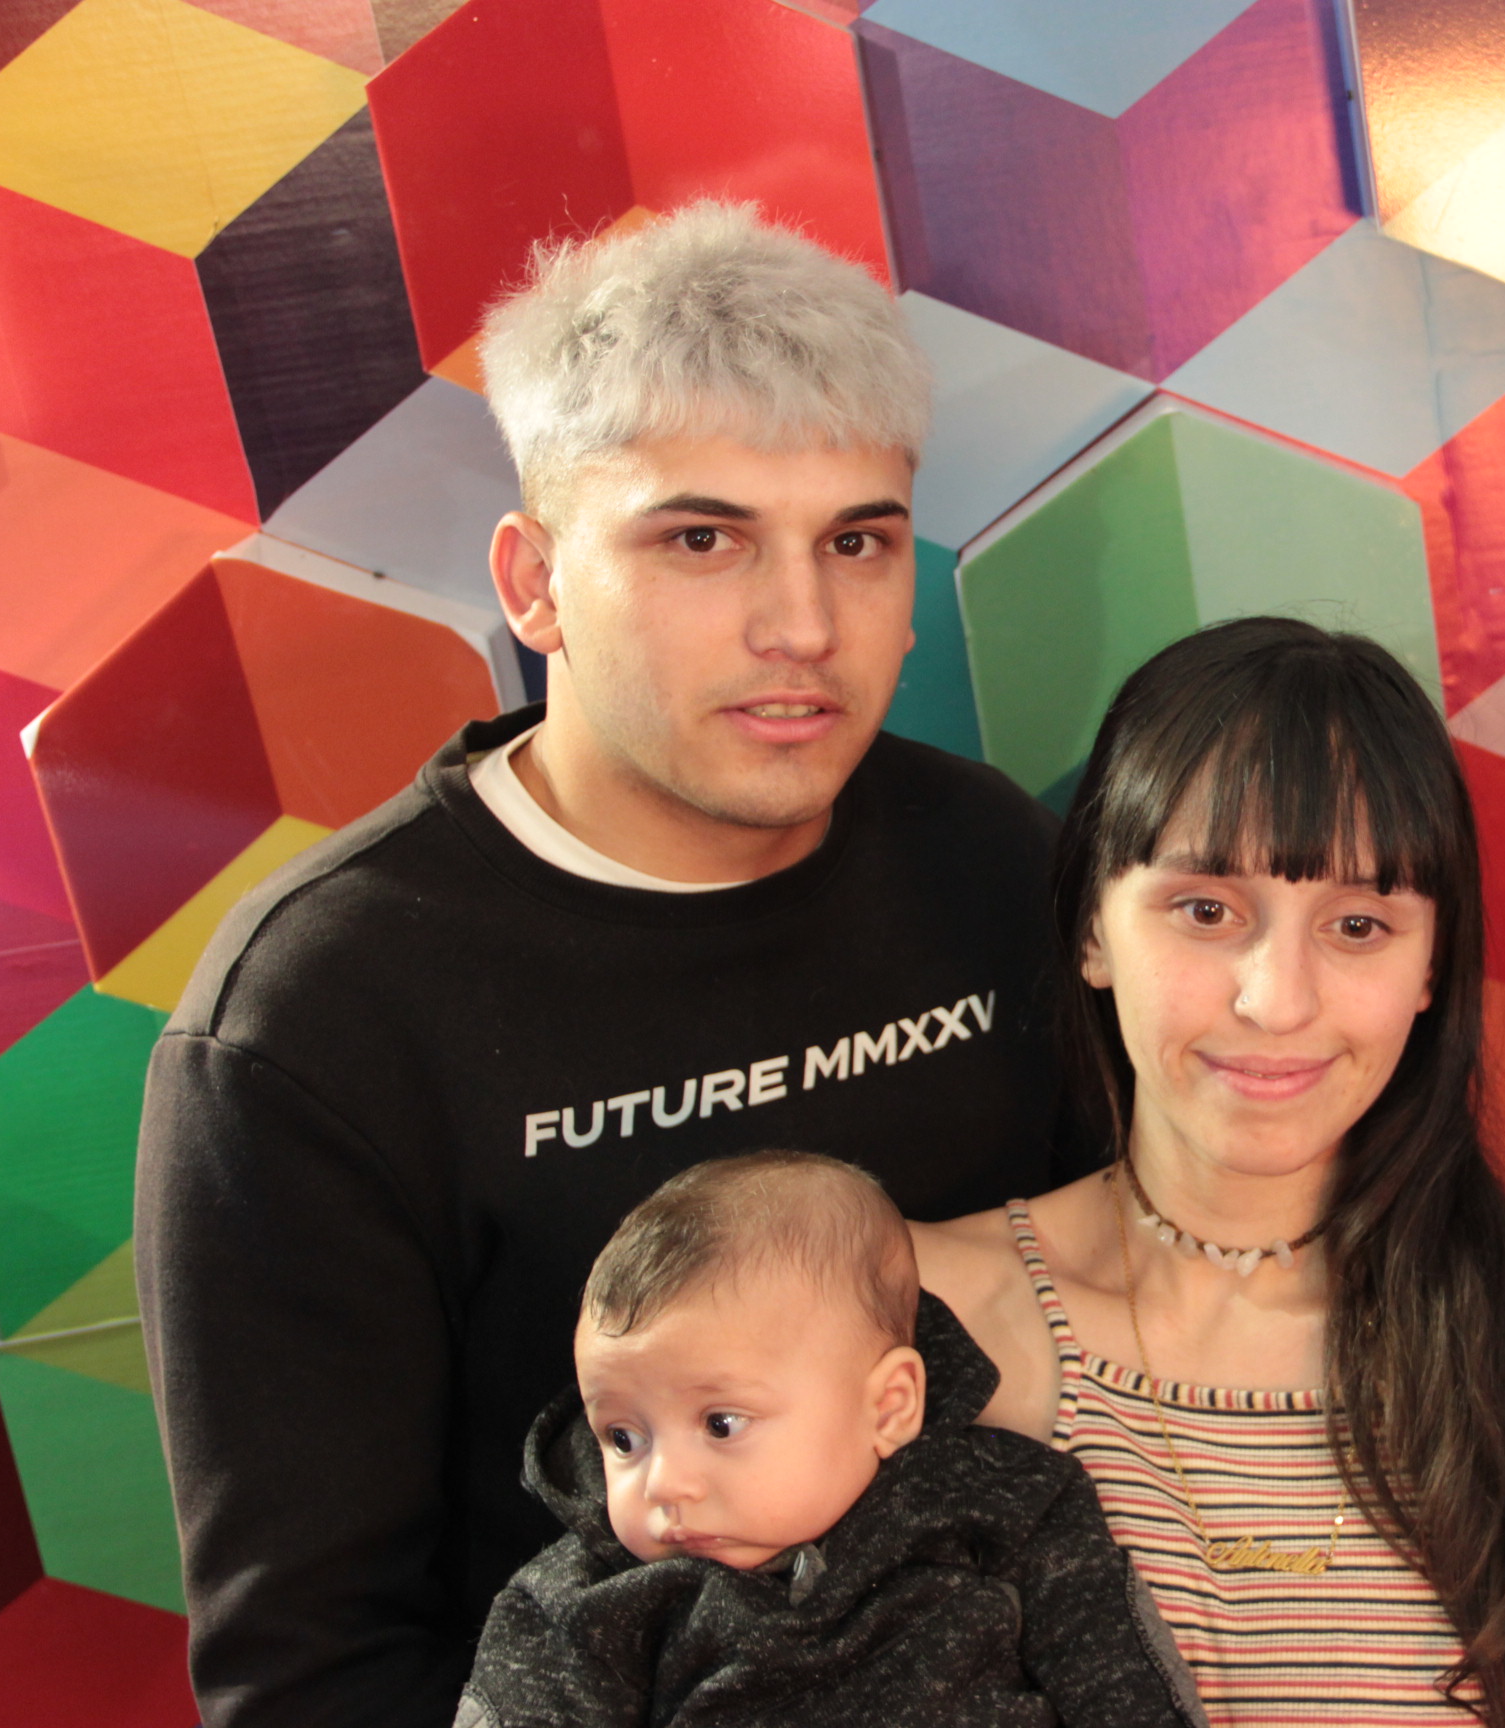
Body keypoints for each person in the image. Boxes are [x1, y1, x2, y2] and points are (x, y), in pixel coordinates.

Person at [134, 203, 1072, 1728]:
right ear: (535, 583)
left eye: (857, 542)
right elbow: (312, 1672)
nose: (802, 625)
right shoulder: (318, 1019)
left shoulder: (988, 861)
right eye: (701, 540)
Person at [915, 618, 1505, 1728]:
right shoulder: (917, 1313)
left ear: (1431, 968)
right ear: (1093, 930)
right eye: (1206, 911)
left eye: (1360, 925)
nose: (1278, 1001)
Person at [459, 1152, 1204, 1728]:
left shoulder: (1002, 1498)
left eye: (721, 1425)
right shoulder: (584, 1600)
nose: (663, 1483)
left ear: (888, 1406)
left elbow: (1118, 1681)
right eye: (623, 1438)